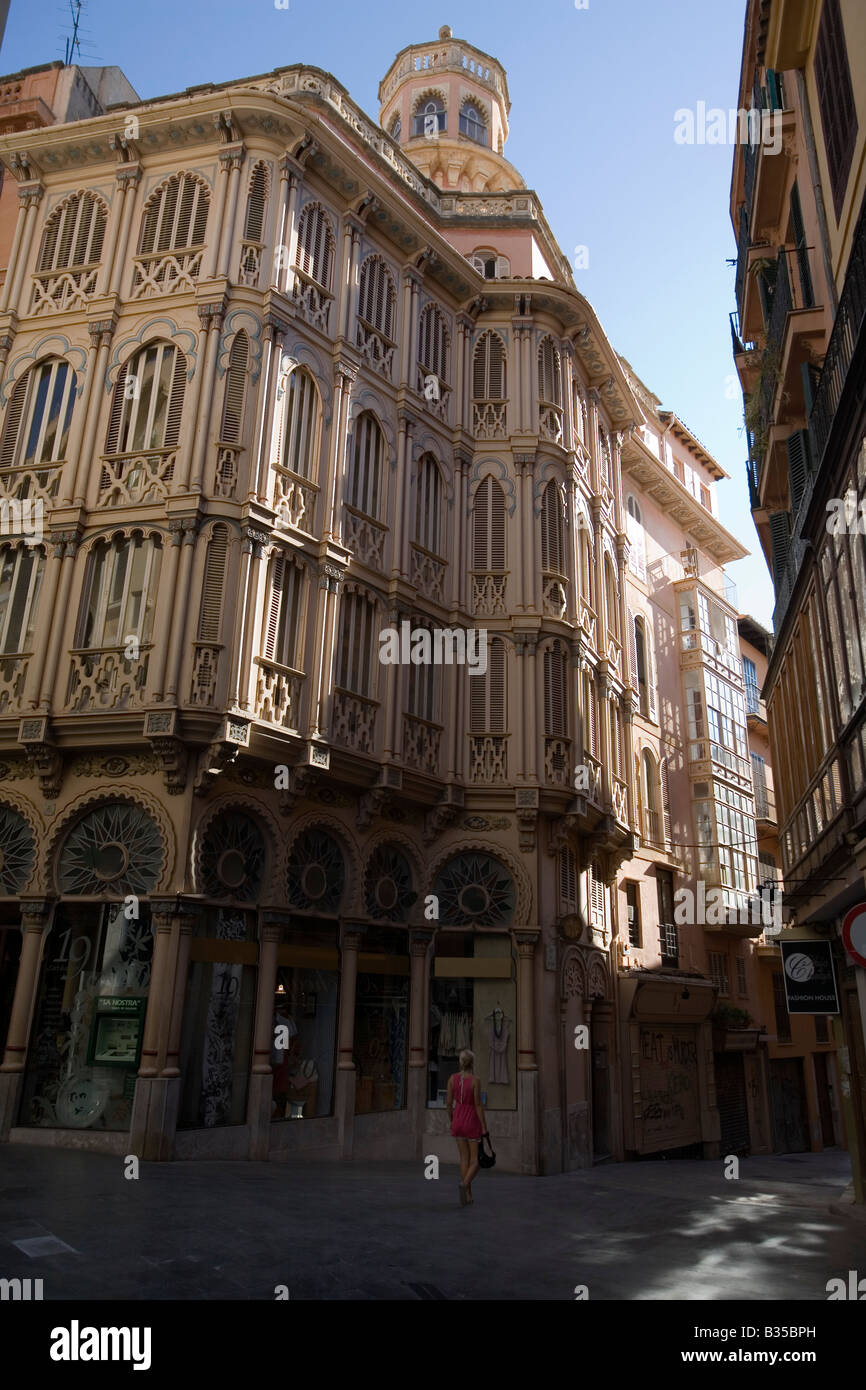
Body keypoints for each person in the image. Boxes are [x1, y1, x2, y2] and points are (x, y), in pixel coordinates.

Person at [447, 1048, 488, 1206]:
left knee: (463, 1159)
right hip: (471, 1121)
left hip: (457, 1120)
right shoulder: (475, 1080)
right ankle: (464, 1185)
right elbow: (478, 1104)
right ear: (472, 1063)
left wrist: (452, 1120)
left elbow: (449, 1104)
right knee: (476, 1160)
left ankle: (468, 1195)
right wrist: (484, 1126)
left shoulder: (452, 1079)